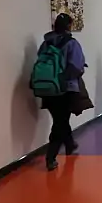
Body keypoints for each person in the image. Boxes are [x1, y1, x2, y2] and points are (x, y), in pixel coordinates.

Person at [38, 13, 87, 171]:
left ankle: (70, 144)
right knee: (60, 123)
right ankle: (50, 157)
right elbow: (77, 67)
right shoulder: (72, 44)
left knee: (60, 119)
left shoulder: (45, 43)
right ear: (69, 26)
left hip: (47, 87)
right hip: (65, 89)